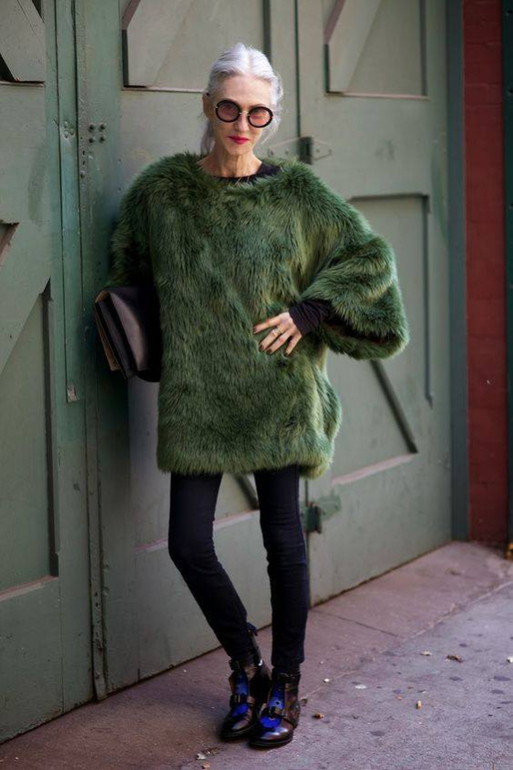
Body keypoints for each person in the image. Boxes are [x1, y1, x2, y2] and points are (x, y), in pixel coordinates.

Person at [104, 42, 410, 749]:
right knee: (188, 544)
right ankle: (247, 665)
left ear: (271, 116)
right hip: (200, 395)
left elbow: (370, 258)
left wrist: (309, 311)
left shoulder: (296, 194)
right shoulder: (161, 193)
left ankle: (288, 685)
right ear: (207, 107)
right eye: (230, 109)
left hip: (279, 388)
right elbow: (129, 272)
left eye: (258, 113)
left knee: (283, 544)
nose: (243, 124)